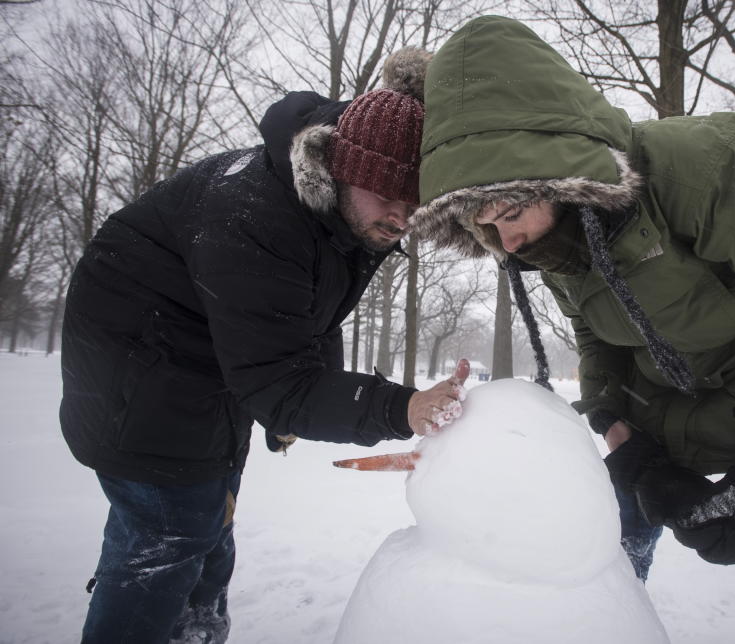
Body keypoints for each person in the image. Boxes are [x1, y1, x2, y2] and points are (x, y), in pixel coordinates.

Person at [412, 16, 735, 644]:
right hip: (656, 427)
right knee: (597, 580)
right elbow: (596, 334)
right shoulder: (547, 238)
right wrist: (621, 434)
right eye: (485, 228)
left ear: (558, 172)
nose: (508, 241)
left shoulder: (714, 167)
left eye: (510, 214)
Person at [60, 47, 467, 643]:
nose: (402, 219)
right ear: (344, 169)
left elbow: (314, 314)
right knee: (165, 543)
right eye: (389, 200)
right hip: (138, 374)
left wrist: (300, 392)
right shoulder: (256, 217)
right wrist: (402, 406)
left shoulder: (346, 215)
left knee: (208, 527)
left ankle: (195, 633)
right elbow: (277, 382)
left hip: (212, 363)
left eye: (414, 206)